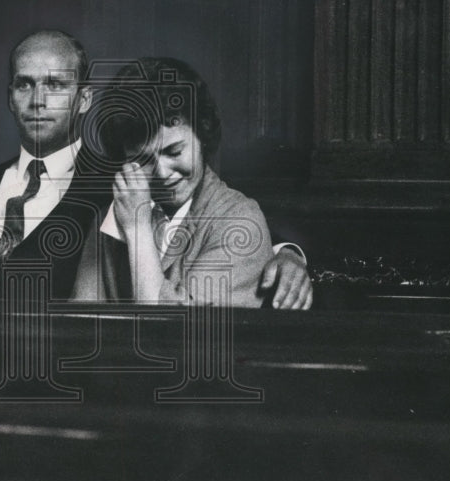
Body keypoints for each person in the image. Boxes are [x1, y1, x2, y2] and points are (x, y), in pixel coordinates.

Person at [0, 30, 312, 309]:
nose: (39, 101)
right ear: (9, 96)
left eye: (56, 84)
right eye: (24, 84)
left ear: (84, 99)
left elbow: (242, 220)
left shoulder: (115, 182)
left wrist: (289, 252)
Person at [70, 57, 299, 308]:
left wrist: (137, 229)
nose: (162, 173)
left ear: (202, 136)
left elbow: (168, 335)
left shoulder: (241, 221)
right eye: (143, 160)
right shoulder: (111, 216)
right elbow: (83, 323)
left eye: (174, 152)